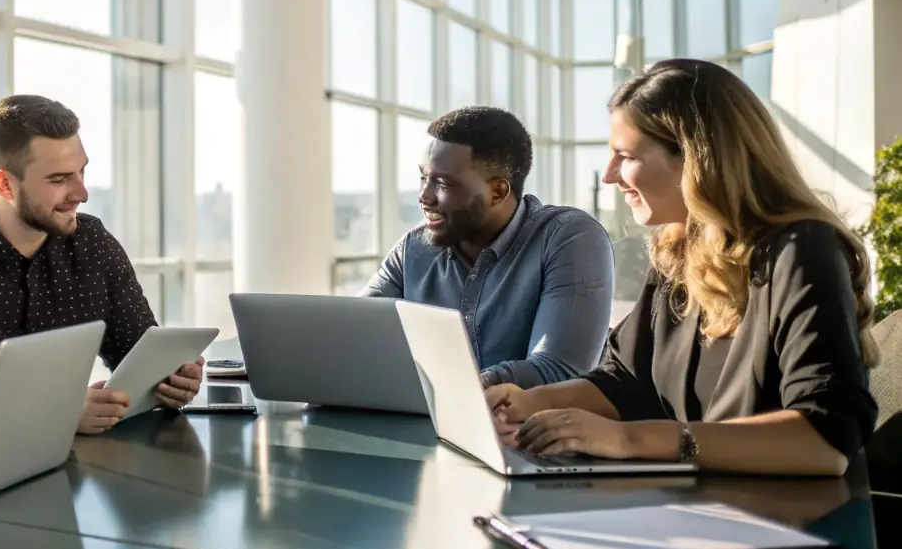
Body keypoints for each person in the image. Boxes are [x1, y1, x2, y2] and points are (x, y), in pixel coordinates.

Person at [487, 59, 879, 476]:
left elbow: (823, 441)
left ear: (695, 159)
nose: (610, 176)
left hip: (783, 520)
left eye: (625, 155)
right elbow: (627, 381)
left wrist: (626, 440)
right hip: (697, 507)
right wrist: (532, 401)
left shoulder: (803, 250)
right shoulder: (682, 251)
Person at [0, 95, 201, 433]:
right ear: (5, 184)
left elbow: (137, 352)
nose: (81, 193)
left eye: (82, 171)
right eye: (59, 179)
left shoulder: (93, 244)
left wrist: (170, 379)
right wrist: (53, 408)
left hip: (76, 461)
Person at [362, 106, 615, 387]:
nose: (424, 196)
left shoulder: (569, 237)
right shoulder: (414, 249)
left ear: (498, 191)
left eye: (443, 183)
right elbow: (354, 335)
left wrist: (458, 388)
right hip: (426, 425)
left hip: (534, 428)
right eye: (424, 178)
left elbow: (560, 372)